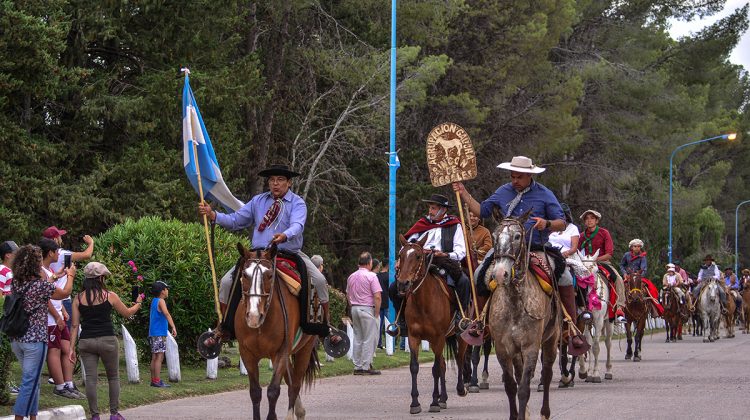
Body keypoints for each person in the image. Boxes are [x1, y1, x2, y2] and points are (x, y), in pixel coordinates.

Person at [453, 156, 584, 346]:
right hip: (506, 249)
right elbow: (482, 211)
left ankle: (570, 328)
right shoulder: (503, 191)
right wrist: (464, 193)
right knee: (479, 274)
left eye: (519, 177)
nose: (515, 180)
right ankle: (480, 323)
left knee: (564, 276)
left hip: (537, 247)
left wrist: (546, 223)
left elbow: (561, 222)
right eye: (513, 176)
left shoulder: (545, 194)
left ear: (529, 175)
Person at [198, 164, 335, 340]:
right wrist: (214, 215)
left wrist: (285, 235)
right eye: (272, 180)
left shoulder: (297, 203)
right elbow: (237, 220)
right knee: (225, 282)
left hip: (289, 252)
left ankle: (326, 327)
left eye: (280, 180)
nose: (275, 184)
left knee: (320, 280)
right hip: (258, 255)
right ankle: (224, 327)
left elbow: (298, 225)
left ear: (289, 182)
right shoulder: (258, 201)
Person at [68, 262, 143, 420]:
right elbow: (127, 313)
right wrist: (138, 304)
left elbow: (74, 325)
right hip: (107, 340)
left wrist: (71, 348)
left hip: (86, 341)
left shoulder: (78, 299)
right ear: (100, 278)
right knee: (113, 377)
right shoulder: (110, 295)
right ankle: (114, 414)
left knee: (91, 380)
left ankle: (95, 416)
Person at [9, 245, 75, 420]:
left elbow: (41, 288)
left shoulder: (16, 282)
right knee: (29, 382)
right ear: (35, 264)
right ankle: (19, 417)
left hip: (18, 339)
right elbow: (65, 292)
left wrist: (55, 276)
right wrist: (70, 275)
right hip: (35, 341)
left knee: (34, 381)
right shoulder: (39, 285)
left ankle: (33, 417)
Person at [388, 193, 472, 330]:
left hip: (443, 260)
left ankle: (460, 317)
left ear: (443, 210)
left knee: (464, 281)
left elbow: (461, 251)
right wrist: (401, 258)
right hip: (419, 261)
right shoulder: (422, 224)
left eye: (433, 208)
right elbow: (407, 246)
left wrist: (444, 253)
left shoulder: (454, 225)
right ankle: (401, 320)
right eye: (430, 208)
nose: (430, 211)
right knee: (393, 287)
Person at [38, 238, 83, 399]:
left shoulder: (48, 270)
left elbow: (53, 292)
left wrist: (62, 309)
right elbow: (45, 297)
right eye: (57, 251)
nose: (59, 254)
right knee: (54, 350)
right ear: (50, 253)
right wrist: (57, 316)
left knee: (67, 348)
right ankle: (59, 386)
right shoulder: (41, 271)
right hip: (50, 320)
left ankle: (69, 383)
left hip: (57, 316)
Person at [577, 209, 627, 322]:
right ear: (584, 222)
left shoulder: (604, 233)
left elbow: (609, 254)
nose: (589, 221)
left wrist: (594, 260)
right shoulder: (581, 236)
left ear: (597, 220)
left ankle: (619, 308)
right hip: (585, 264)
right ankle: (579, 307)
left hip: (602, 262)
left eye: (592, 218)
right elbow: (577, 251)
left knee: (618, 279)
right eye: (587, 219)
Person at [42, 226, 95, 331]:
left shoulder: (43, 256)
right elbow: (87, 255)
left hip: (50, 297)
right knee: (66, 333)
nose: (61, 238)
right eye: (59, 236)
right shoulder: (61, 254)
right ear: (55, 239)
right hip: (62, 298)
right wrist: (91, 243)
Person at [346, 252, 382, 375]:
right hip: (367, 308)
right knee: (369, 338)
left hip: (355, 308)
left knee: (358, 338)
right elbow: (377, 296)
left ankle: (357, 366)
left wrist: (352, 305)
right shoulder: (371, 276)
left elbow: (348, 293)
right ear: (369, 262)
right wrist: (376, 313)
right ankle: (366, 366)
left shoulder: (351, 276)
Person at [619, 239, 663, 317]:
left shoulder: (643, 257)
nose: (637, 248)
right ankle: (619, 308)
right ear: (631, 247)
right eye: (635, 246)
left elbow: (644, 268)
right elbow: (622, 265)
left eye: (639, 246)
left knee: (650, 289)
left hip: (639, 277)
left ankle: (653, 308)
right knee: (619, 288)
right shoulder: (626, 255)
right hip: (628, 277)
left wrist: (638, 276)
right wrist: (624, 274)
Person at [148, 281, 176, 388]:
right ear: (162, 291)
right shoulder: (161, 301)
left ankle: (153, 379)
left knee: (154, 356)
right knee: (159, 356)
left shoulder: (154, 301)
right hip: (159, 333)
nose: (167, 291)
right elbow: (166, 314)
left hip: (153, 333)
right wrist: (173, 326)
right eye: (166, 289)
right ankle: (157, 380)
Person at [0, 241, 19, 404]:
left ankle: (7, 382)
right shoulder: (3, 271)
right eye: (15, 253)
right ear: (7, 255)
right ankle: (4, 384)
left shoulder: (9, 271)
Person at [375, 262, 390, 350]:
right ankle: (390, 344)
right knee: (388, 324)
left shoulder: (377, 275)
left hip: (379, 301)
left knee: (379, 325)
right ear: (388, 265)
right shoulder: (389, 276)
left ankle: (379, 342)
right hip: (387, 302)